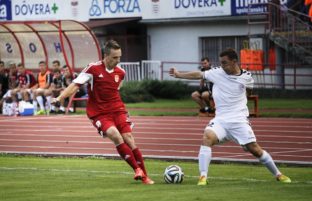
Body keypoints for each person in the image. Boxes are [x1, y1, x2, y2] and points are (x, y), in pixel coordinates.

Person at [169, 48, 291, 185]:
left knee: (255, 150)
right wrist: (179, 74)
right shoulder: (217, 73)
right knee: (207, 138)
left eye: (225, 63)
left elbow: (249, 93)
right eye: (221, 63)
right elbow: (199, 74)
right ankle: (203, 177)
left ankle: (278, 174)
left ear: (234, 62)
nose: (222, 66)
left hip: (239, 121)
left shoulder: (247, 77)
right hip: (220, 120)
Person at [52, 40, 154, 185]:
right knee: (115, 135)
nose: (118, 61)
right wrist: (60, 97)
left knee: (129, 138)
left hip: (117, 110)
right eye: (114, 57)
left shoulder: (121, 72)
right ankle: (138, 170)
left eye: (119, 57)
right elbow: (75, 85)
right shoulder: (93, 69)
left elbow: (115, 90)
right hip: (99, 113)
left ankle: (145, 176)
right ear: (106, 56)